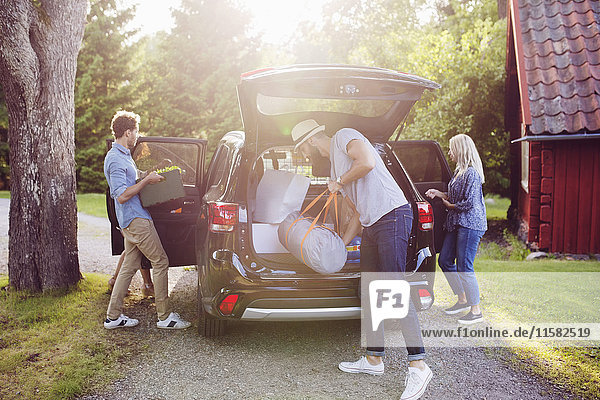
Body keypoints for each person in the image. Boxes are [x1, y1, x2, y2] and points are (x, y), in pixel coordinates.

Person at [292, 119, 433, 400]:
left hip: (393, 215)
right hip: (372, 223)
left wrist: (339, 183)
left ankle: (419, 364)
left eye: (301, 149)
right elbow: (357, 212)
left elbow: (367, 161)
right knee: (369, 290)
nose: (303, 155)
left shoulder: (344, 135)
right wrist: (341, 245)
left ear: (308, 141)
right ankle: (373, 359)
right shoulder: (335, 164)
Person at [103, 110, 191, 330]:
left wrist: (150, 174)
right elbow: (121, 195)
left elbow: (134, 177)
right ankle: (164, 317)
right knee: (160, 261)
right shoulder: (114, 159)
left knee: (128, 268)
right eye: (135, 131)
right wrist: (146, 182)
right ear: (126, 132)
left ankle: (113, 317)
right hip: (135, 220)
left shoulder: (123, 155)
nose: (138, 135)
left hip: (134, 219)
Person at [425, 133, 487, 325]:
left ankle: (475, 310)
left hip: (469, 224)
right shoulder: (460, 171)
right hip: (456, 223)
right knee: (444, 260)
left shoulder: (472, 173)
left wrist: (450, 207)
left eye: (451, 148)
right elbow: (454, 196)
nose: (449, 152)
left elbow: (469, 202)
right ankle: (462, 299)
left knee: (465, 266)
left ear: (460, 149)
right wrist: (439, 193)